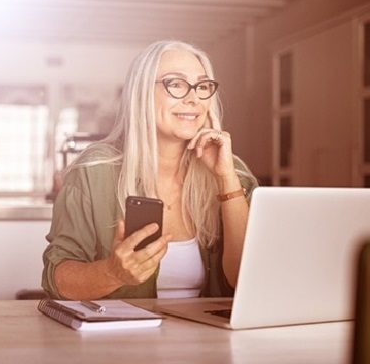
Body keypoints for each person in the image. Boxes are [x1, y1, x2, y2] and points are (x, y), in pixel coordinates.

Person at [42, 40, 258, 300]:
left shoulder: (233, 172)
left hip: (210, 340)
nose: (193, 98)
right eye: (175, 84)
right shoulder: (94, 171)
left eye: (202, 86)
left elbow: (248, 280)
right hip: (122, 339)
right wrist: (112, 273)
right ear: (141, 93)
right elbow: (58, 280)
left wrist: (226, 181)